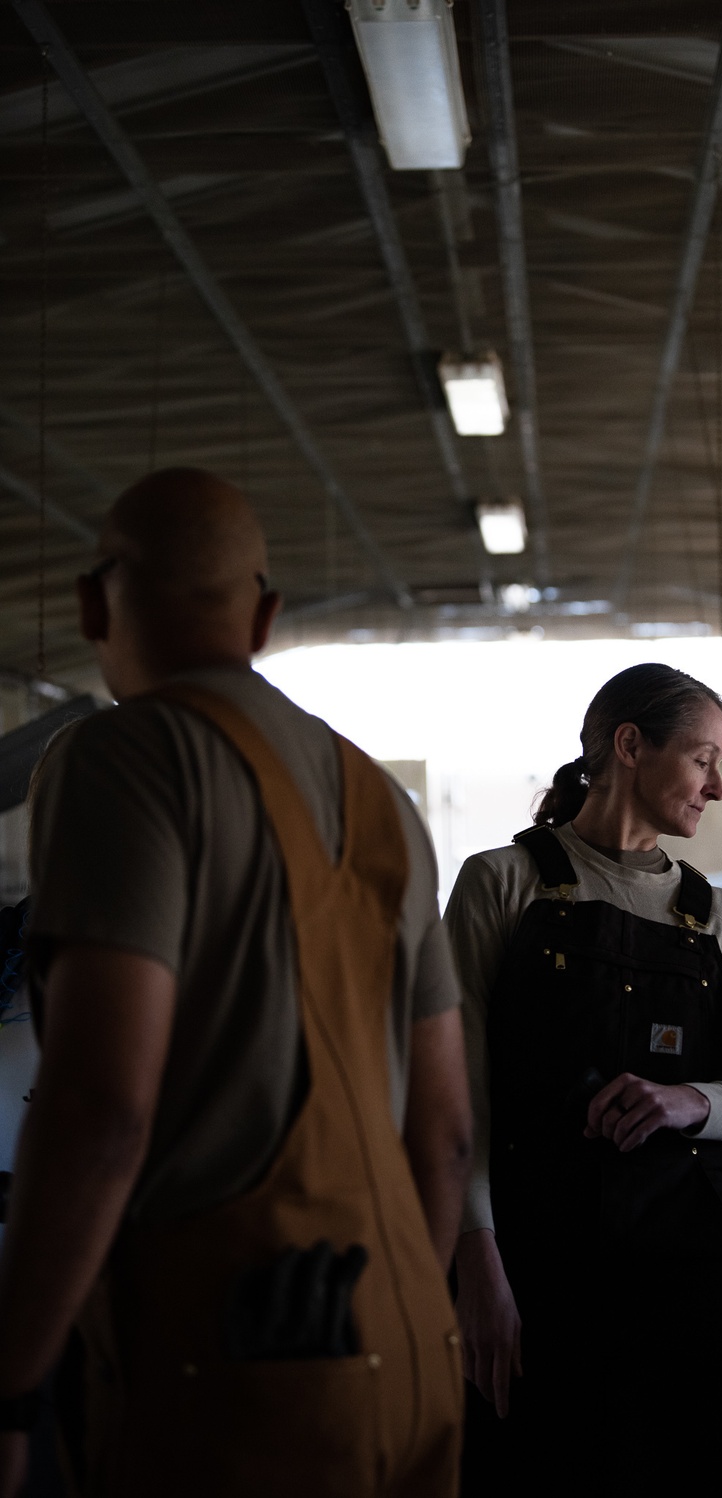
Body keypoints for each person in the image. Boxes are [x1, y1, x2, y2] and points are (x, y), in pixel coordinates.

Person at [0, 468, 471, 1498]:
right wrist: (386, 1329)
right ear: (264, 616)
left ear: (92, 602)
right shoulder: (383, 799)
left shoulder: (118, 757)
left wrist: (12, 1386)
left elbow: (100, 1109)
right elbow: (443, 1135)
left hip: (233, 1375)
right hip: (412, 1357)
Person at [446, 663, 722, 1497]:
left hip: (696, 1276)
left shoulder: (720, 918)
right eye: (703, 757)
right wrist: (475, 1262)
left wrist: (689, 1100)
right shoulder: (504, 883)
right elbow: (454, 1093)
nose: (716, 787)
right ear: (630, 746)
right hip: (540, 1270)